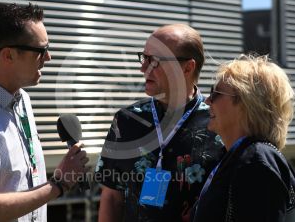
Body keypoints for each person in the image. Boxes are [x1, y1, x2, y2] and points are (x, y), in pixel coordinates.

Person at [0, 3, 89, 222]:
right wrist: (59, 185)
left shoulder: (21, 97)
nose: (49, 57)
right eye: (41, 51)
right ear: (8, 56)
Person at [95, 24, 224, 222]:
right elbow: (112, 197)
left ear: (187, 67)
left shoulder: (220, 121)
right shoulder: (127, 120)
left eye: (154, 60)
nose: (143, 68)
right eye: (144, 57)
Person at [191, 54, 295, 222]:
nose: (208, 101)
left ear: (246, 103)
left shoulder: (256, 160)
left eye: (215, 93)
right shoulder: (241, 155)